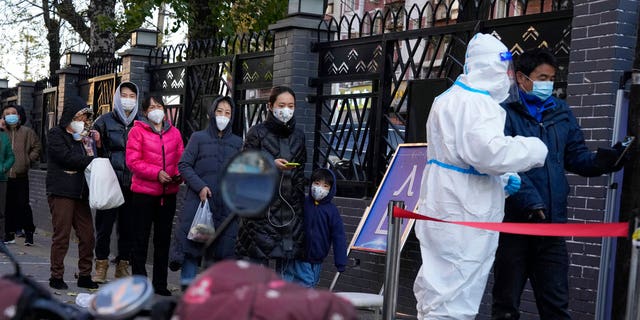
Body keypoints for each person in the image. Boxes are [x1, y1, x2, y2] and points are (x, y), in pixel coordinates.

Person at [413, 33, 549, 319]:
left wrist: (500, 182)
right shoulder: (477, 103)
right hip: (465, 213)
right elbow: (486, 153)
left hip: (444, 202)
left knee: (438, 290)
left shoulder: (448, 98)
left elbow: (460, 155)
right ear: (494, 67)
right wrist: (534, 149)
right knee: (456, 297)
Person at [491, 48, 630, 320]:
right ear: (521, 78)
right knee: (506, 307)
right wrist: (531, 202)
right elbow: (503, 165)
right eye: (542, 77)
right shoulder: (503, 114)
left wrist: (607, 159)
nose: (548, 84)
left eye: (552, 78)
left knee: (556, 307)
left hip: (552, 229)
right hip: (515, 228)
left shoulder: (561, 112)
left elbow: (576, 158)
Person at [169, 96, 242, 289]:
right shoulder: (198, 138)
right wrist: (200, 186)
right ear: (212, 113)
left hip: (225, 210)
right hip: (199, 205)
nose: (223, 116)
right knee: (192, 251)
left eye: (227, 113)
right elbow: (184, 165)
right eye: (219, 111)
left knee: (220, 255)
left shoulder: (237, 143)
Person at [236, 85, 307, 276]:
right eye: (282, 105)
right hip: (262, 213)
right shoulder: (256, 133)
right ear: (270, 106)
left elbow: (302, 173)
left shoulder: (299, 136)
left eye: (291, 106)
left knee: (286, 274)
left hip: (290, 212)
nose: (286, 110)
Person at [126, 95, 184, 296]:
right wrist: (156, 173)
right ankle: (139, 284)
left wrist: (177, 175)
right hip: (143, 194)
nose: (156, 110)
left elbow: (180, 158)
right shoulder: (137, 131)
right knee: (140, 239)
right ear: (144, 112)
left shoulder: (174, 133)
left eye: (159, 106)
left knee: (163, 240)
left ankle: (160, 284)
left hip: (168, 194)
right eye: (152, 107)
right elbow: (133, 161)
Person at [46, 96, 101, 290]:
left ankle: (85, 275)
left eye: (86, 118)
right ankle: (56, 275)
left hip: (81, 193)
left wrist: (96, 145)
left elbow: (96, 159)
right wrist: (90, 160)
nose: (83, 122)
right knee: (61, 235)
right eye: (80, 117)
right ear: (71, 117)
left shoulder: (85, 139)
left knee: (87, 236)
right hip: (61, 191)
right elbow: (65, 158)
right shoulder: (56, 134)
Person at [91, 81, 141, 283]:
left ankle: (122, 266)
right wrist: (98, 144)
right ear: (116, 97)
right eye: (124, 95)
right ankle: (101, 266)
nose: (128, 99)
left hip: (133, 183)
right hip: (110, 182)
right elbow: (94, 152)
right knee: (104, 226)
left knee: (128, 228)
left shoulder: (142, 122)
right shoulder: (103, 121)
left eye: (132, 95)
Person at [285, 168, 347, 288]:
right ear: (311, 183)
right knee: (306, 286)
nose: (320, 188)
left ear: (331, 189)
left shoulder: (332, 211)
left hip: (318, 259)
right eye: (317, 183)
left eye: (325, 186)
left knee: (312, 284)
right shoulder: (303, 203)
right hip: (299, 256)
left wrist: (341, 262)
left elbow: (338, 237)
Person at [2, 105, 40, 246]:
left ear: (19, 116)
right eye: (7, 114)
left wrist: (28, 159)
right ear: (3, 117)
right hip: (5, 176)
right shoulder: (2, 132)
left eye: (13, 113)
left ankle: (29, 233)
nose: (11, 115)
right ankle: (8, 234)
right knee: (7, 206)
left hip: (21, 175)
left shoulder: (27, 132)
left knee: (23, 205)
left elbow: (37, 146)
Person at [0, 123, 15, 245]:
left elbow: (11, 156)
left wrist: (4, 167)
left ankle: (0, 239)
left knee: (1, 211)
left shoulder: (4, 137)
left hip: (1, 178)